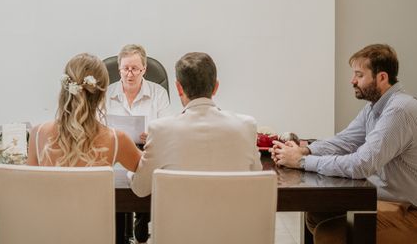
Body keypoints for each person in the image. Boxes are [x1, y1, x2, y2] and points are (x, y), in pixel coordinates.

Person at [272, 44, 417, 244]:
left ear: (382, 77)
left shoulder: (399, 110)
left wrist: (301, 161)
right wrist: (306, 149)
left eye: (359, 75)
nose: (352, 81)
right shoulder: (374, 108)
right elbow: (344, 141)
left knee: (331, 233)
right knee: (319, 213)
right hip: (399, 203)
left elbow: (361, 165)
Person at [130, 51, 262, 198]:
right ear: (216, 87)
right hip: (232, 220)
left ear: (179, 88)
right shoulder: (247, 126)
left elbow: (140, 189)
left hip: (180, 221)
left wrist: (132, 171)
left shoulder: (160, 130)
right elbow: (257, 180)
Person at [27, 52, 141, 171]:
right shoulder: (117, 140)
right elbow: (149, 171)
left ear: (65, 89)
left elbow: (31, 185)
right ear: (101, 95)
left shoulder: (37, 134)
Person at [105, 44, 170, 243]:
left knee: (148, 181)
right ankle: (118, 235)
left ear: (144, 70)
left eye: (135, 69)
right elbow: (97, 127)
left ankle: (141, 225)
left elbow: (166, 128)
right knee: (113, 191)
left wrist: (151, 134)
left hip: (147, 152)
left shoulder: (158, 93)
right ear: (119, 69)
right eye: (125, 68)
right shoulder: (106, 93)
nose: (130, 74)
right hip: (114, 153)